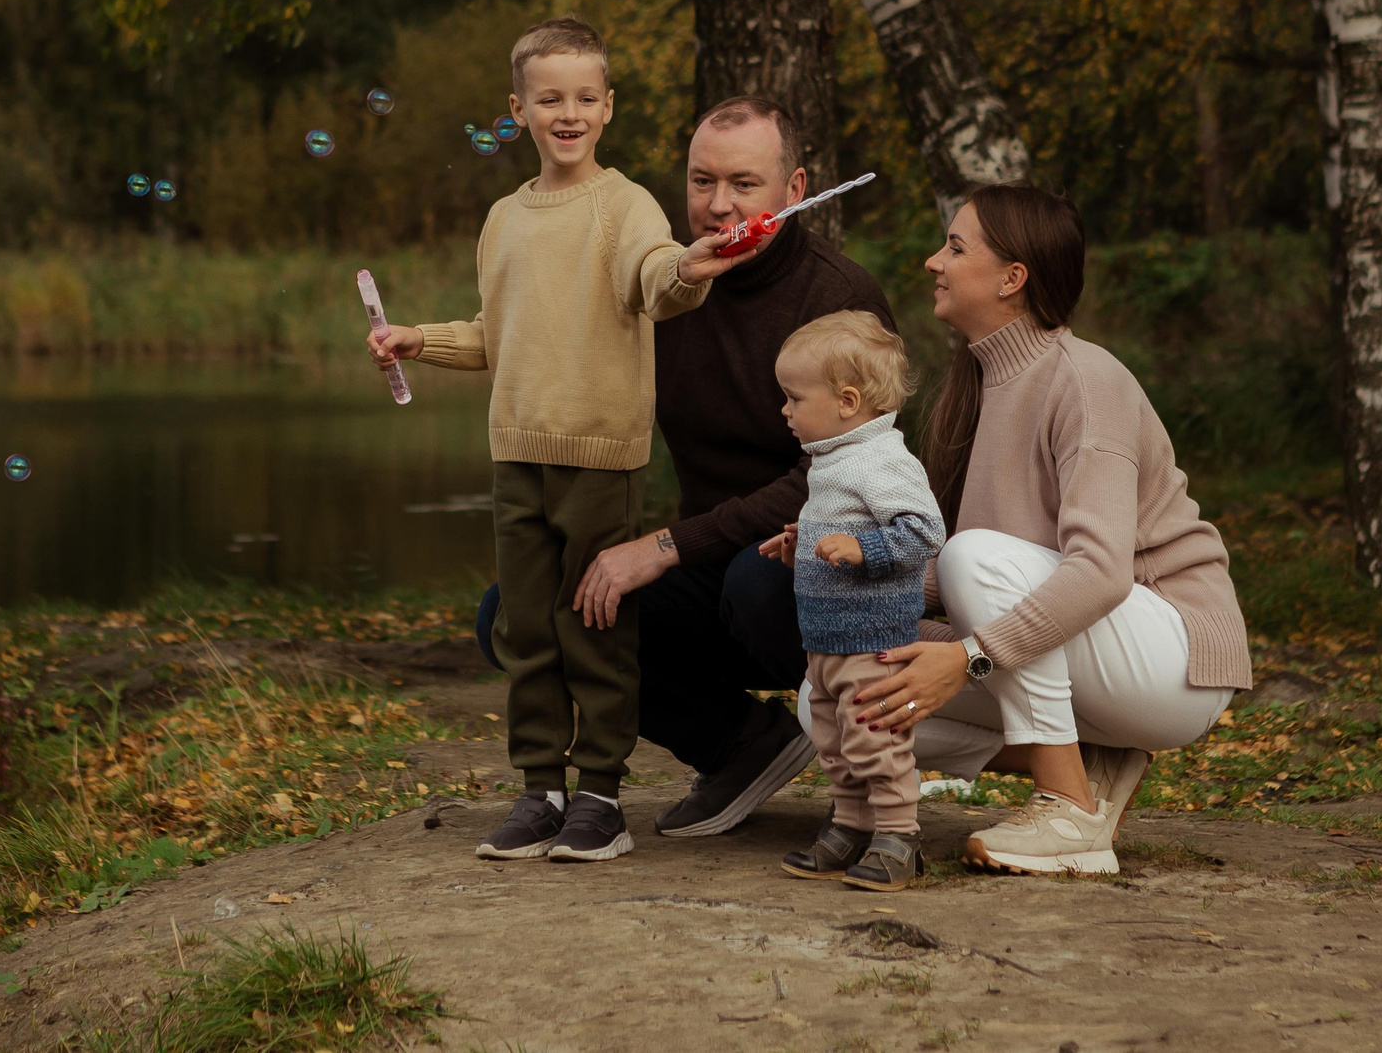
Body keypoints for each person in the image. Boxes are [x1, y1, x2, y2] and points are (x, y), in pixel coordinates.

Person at [368, 17, 758, 865]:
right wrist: (418, 340)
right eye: (550, 98)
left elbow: (655, 278)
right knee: (527, 629)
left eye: (585, 97)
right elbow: (494, 333)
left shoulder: (625, 206)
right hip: (516, 456)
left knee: (596, 630)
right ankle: (540, 788)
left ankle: (601, 797)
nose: (569, 113)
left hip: (598, 459)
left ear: (609, 105)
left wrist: (686, 269)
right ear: (518, 110)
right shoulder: (503, 218)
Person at [480, 96, 897, 839]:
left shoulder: (838, 297)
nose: (718, 205)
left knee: (755, 580)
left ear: (796, 188)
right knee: (516, 609)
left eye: (744, 183)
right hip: (709, 561)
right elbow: (561, 359)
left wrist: (667, 544)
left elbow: (844, 473)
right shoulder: (662, 285)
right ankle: (742, 745)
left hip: (814, 559)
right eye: (702, 181)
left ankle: (869, 774)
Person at [835, 183, 1252, 876]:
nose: (933, 261)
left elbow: (1097, 572)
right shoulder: (978, 384)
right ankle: (1092, 763)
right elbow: (983, 574)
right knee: (838, 697)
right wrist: (862, 568)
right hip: (1088, 656)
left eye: (955, 247)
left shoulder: (1086, 380)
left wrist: (969, 655)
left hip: (1173, 658)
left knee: (971, 556)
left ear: (1012, 278)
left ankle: (1067, 807)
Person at [755, 311, 943, 891]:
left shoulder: (882, 460)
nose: (785, 410)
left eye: (794, 398)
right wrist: (803, 547)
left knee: (875, 740)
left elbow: (925, 532)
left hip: (871, 642)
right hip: (826, 643)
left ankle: (899, 836)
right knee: (834, 742)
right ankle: (852, 825)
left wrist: (863, 548)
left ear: (847, 401)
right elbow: (841, 534)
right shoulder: (834, 461)